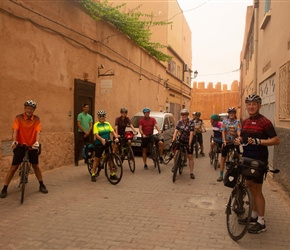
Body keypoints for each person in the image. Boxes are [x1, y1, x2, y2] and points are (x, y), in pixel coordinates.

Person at [236, 94, 280, 234]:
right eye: (249, 104)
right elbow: (243, 138)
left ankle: (261, 222)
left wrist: (259, 142)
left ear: (259, 106)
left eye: (254, 104)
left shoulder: (264, 122)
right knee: (250, 187)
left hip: (259, 160)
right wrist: (238, 140)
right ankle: (253, 216)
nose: (251, 106)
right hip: (247, 158)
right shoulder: (246, 122)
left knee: (258, 190)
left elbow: (276, 140)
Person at [0, 100, 48, 198]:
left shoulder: (36, 119)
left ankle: (41, 184)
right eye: (27, 108)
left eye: (31, 109)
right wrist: (14, 141)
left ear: (34, 110)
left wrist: (37, 143)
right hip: (20, 145)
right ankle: (5, 188)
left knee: (36, 166)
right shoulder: (19, 118)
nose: (29, 110)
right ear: (24, 108)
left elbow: (38, 131)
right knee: (13, 167)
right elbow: (15, 130)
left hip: (32, 146)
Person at [90, 110, 119, 182]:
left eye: (103, 116)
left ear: (105, 117)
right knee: (97, 159)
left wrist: (116, 138)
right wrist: (102, 139)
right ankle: (93, 173)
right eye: (100, 116)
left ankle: (112, 174)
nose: (102, 117)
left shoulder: (107, 124)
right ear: (98, 117)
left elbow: (112, 132)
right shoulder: (96, 125)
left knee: (110, 159)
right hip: (99, 143)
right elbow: (96, 135)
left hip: (107, 143)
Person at [217, 107, 241, 182]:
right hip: (226, 141)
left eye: (233, 113)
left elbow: (238, 131)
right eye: (230, 113)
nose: (231, 114)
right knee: (223, 158)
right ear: (228, 114)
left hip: (234, 141)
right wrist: (224, 141)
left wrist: (239, 137)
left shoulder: (237, 122)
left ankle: (239, 173)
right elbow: (223, 131)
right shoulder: (224, 121)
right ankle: (221, 175)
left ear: (235, 114)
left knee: (238, 156)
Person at [171, 109, 195, 179]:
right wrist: (173, 140)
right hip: (181, 140)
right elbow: (176, 131)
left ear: (187, 115)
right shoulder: (179, 122)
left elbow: (191, 133)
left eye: (185, 114)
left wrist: (190, 144)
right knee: (176, 154)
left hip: (188, 140)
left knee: (190, 156)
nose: (184, 116)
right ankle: (175, 166)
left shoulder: (191, 122)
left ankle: (191, 172)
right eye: (183, 115)